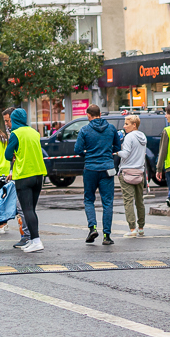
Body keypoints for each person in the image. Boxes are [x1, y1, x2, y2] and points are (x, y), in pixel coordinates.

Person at [3, 107, 48, 251]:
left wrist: (14, 155)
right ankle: (32, 240)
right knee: (31, 210)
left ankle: (36, 241)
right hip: (38, 174)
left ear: (15, 119)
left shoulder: (16, 133)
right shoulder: (34, 132)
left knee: (27, 209)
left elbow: (8, 155)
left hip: (24, 175)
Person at [75, 104, 119, 243]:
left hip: (90, 169)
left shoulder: (85, 130)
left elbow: (77, 149)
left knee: (89, 200)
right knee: (107, 202)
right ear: (100, 114)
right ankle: (107, 236)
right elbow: (117, 147)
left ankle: (92, 228)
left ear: (89, 115)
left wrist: (86, 154)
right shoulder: (111, 128)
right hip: (107, 168)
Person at [118, 114, 151, 236]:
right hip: (139, 172)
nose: (124, 126)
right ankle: (141, 227)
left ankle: (132, 229)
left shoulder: (129, 137)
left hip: (127, 172)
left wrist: (116, 151)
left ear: (134, 125)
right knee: (139, 201)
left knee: (128, 201)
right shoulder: (142, 136)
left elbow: (125, 154)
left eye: (127, 124)